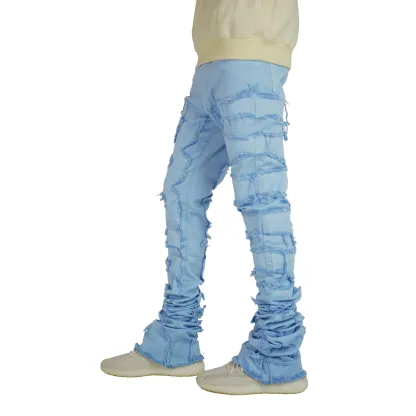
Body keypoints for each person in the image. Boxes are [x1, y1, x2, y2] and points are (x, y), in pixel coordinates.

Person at [101, 0, 307, 395]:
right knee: (181, 191)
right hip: (211, 58)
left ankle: (278, 353)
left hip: (252, 49)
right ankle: (175, 339)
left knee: (261, 197)